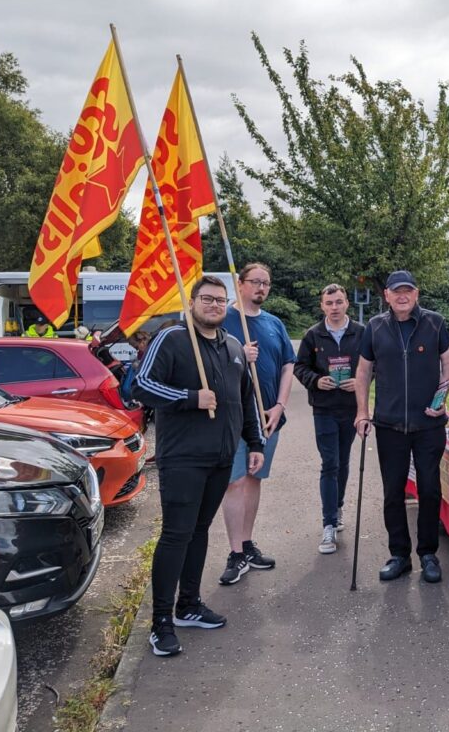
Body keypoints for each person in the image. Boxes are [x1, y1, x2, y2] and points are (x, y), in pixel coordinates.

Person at [132, 275, 265, 657]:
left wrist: (255, 443)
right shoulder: (172, 339)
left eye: (221, 301)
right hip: (183, 459)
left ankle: (188, 604)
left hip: (221, 458)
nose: (214, 306)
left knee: (201, 531)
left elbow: (243, 402)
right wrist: (191, 397)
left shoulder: (234, 346)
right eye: (207, 299)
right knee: (177, 534)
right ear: (192, 302)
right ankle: (160, 622)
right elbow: (140, 385)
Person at [354, 270, 449, 583]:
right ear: (386, 295)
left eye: (408, 291)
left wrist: (441, 399)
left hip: (429, 424)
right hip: (389, 424)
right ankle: (399, 555)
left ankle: (428, 554)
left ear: (416, 293)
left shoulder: (435, 322)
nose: (402, 296)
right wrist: (362, 412)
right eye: (396, 291)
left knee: (429, 488)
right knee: (393, 492)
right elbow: (363, 371)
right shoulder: (375, 326)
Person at [218, 263, 295, 585]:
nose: (261, 288)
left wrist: (279, 405)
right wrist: (236, 353)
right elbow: (207, 362)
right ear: (240, 284)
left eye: (266, 283)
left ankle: (247, 545)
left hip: (267, 419)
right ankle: (235, 553)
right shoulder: (223, 320)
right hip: (233, 418)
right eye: (255, 282)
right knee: (234, 482)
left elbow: (288, 365)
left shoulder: (274, 323)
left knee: (253, 479)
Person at [294, 284, 365, 555]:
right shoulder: (313, 335)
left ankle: (338, 507)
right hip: (323, 408)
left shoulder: (362, 332)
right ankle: (328, 525)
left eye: (338, 302)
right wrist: (315, 380)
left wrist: (359, 381)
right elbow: (300, 367)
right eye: (329, 303)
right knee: (330, 463)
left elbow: (376, 364)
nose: (334, 307)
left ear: (347, 303)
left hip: (350, 407)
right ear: (322, 306)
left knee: (343, 462)